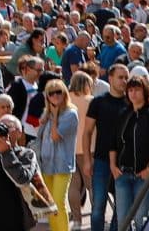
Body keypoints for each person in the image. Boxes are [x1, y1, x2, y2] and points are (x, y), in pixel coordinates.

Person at [109, 77, 149, 230]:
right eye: (131, 90)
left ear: (144, 91)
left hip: (144, 175)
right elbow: (113, 143)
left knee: (141, 218)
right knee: (123, 221)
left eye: (137, 90)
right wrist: (113, 166)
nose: (133, 94)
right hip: (123, 174)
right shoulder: (123, 114)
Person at [83, 64, 129, 231]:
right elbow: (87, 132)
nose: (124, 81)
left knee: (122, 207)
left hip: (125, 162)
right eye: (120, 77)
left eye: (126, 77)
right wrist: (88, 160)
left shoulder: (131, 103)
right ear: (110, 78)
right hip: (101, 160)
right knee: (97, 207)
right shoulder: (98, 102)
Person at [37, 78, 77, 231]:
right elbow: (39, 136)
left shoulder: (70, 113)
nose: (55, 96)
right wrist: (44, 120)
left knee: (59, 202)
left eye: (58, 92)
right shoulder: (48, 112)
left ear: (64, 93)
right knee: (50, 203)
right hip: (47, 163)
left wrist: (53, 118)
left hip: (62, 164)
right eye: (50, 94)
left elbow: (55, 136)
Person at [67, 72, 94, 229]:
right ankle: (96, 217)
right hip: (89, 148)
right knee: (92, 186)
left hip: (69, 149)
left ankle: (76, 220)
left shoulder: (64, 100)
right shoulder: (91, 101)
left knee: (73, 186)